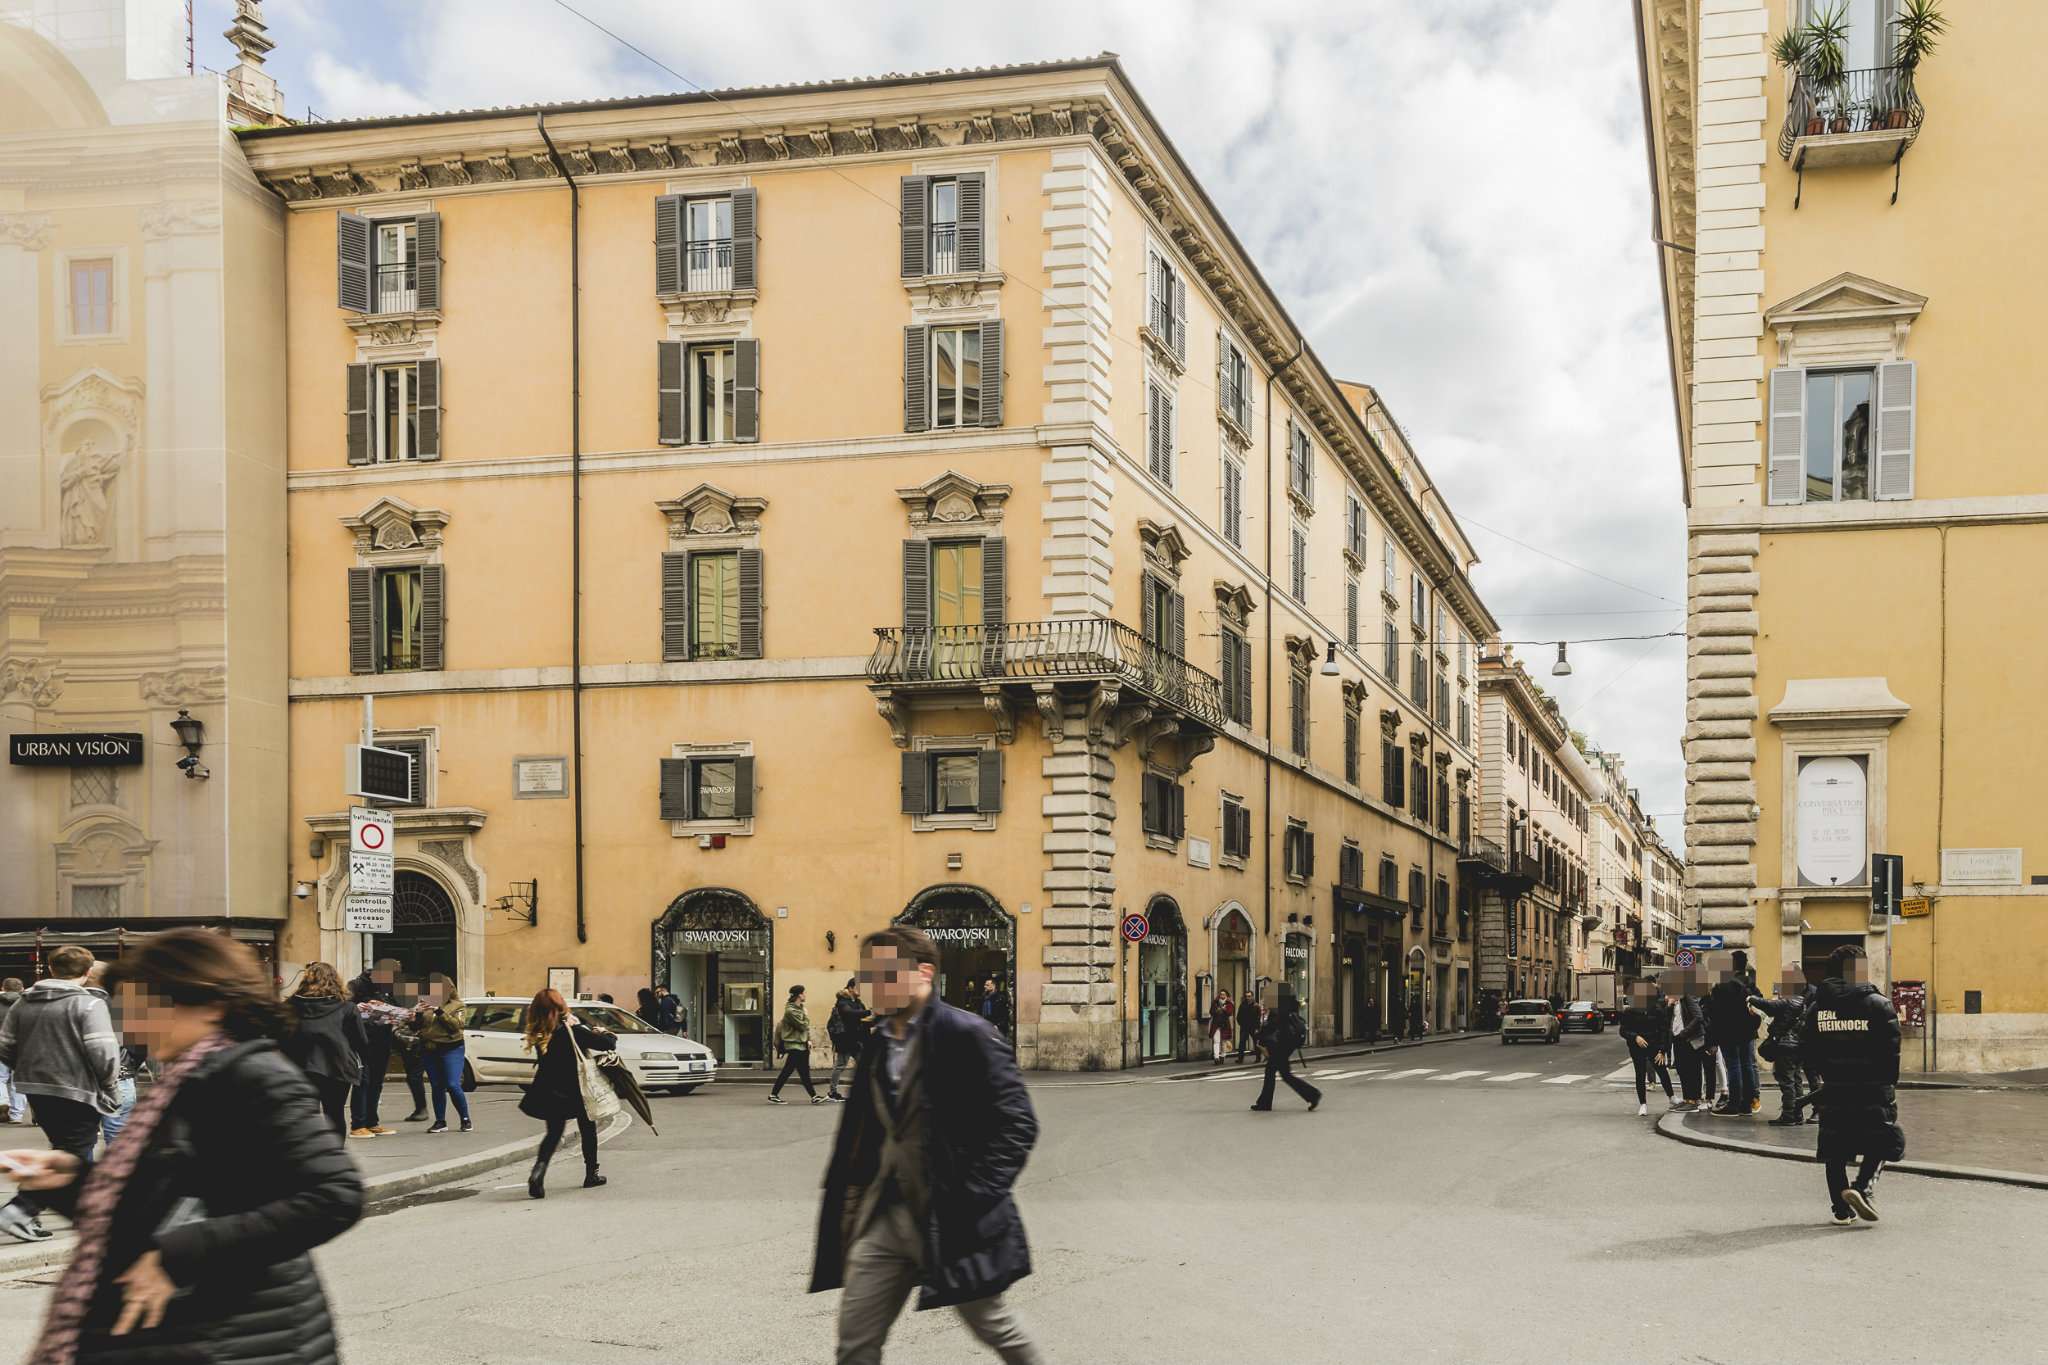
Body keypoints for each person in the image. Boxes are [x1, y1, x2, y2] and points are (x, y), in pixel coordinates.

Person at [1, 926, 362, 1363]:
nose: (130, 1023)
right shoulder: (188, 1078)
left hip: (230, 1335)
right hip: (190, 1330)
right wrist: (68, 1181)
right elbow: (153, 1205)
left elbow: (333, 1196)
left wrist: (176, 1257)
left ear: (209, 1004)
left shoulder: (251, 1075)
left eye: (144, 1006)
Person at [811, 926, 1040, 1364]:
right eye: (867, 974)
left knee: (995, 1327)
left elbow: (1018, 1125)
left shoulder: (967, 1033)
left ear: (924, 973)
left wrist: (974, 1198)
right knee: (855, 1342)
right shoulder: (877, 1041)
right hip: (886, 1217)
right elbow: (865, 1132)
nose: (871, 985)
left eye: (883, 974)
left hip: (953, 1215)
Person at [0, 947, 119, 1243]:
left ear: (51, 969)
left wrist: (26, 1068)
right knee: (75, 1152)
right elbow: (103, 1051)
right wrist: (110, 1086)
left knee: (64, 1148)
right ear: (88, 972)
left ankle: (57, 1209)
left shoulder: (24, 1001)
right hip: (76, 1088)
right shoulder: (89, 1005)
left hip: (35, 1088)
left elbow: (5, 1044)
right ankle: (20, 1210)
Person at [1799, 943, 1901, 1225]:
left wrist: (1823, 1077)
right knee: (1882, 1141)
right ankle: (1863, 1187)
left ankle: (1841, 1210)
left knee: (1835, 1149)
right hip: (1872, 1087)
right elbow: (1891, 1052)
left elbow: (1808, 1050)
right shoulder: (1879, 1005)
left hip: (1834, 1088)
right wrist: (1887, 1085)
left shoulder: (1818, 1008)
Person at [518, 988, 616, 1198]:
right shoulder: (572, 1029)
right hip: (577, 1088)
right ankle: (592, 1174)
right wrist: (603, 1032)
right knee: (588, 1128)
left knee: (553, 1133)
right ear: (560, 1007)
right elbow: (607, 1045)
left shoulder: (539, 1032)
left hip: (548, 1089)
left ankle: (539, 1171)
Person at [281, 962, 367, 1138]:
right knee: (334, 1114)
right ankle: (334, 1157)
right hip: (338, 1067)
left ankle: (307, 1156)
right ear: (335, 980)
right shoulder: (346, 1007)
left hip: (300, 1068)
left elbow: (280, 1038)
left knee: (305, 1117)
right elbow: (361, 1042)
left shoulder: (289, 1007)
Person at [82, 962, 144, 1152]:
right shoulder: (127, 1004)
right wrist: (129, 1065)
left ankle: (80, 1180)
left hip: (78, 1082)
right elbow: (141, 1045)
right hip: (119, 1078)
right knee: (118, 1138)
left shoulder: (70, 1004)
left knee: (78, 1143)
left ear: (86, 975)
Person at [347, 958, 408, 1136]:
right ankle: (357, 1125)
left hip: (382, 1040)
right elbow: (344, 1007)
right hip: (362, 1041)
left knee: (376, 1083)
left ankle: (372, 1122)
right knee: (363, 1082)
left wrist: (404, 1014)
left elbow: (395, 1008)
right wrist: (357, 1007)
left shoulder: (387, 989)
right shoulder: (356, 985)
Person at [1752, 966, 1813, 1126]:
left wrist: (1751, 998)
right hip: (1798, 1045)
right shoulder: (1802, 1001)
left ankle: (1788, 1115)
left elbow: (1768, 1006)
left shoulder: (1788, 1000)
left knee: (1786, 1081)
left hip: (1785, 1046)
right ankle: (1797, 1113)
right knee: (1796, 1080)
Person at [411, 972, 471, 1133]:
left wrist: (438, 1010)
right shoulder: (425, 1004)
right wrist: (416, 1014)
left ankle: (465, 1119)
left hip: (451, 1048)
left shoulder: (458, 1005)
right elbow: (415, 1027)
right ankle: (440, 1121)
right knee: (437, 1085)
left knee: (452, 1084)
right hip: (429, 1049)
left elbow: (456, 1026)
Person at [1706, 950, 1761, 1116]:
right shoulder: (1751, 984)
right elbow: (1760, 1006)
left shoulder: (1722, 986)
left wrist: (1712, 1040)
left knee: (1734, 1066)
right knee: (1747, 1066)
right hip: (1747, 1032)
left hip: (1728, 1032)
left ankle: (1734, 1104)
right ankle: (1747, 1104)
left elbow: (1714, 1015)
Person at [1249, 988, 1320, 1113]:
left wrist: (1259, 1035)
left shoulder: (1278, 1010)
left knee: (1273, 1072)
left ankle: (1265, 1103)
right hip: (1285, 1045)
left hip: (1280, 1045)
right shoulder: (1287, 1008)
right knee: (1283, 1074)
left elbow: (1272, 1026)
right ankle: (1311, 1095)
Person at [1618, 980, 1674, 1116]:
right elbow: (1623, 1030)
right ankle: (1643, 1104)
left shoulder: (1657, 1010)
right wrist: (1635, 1037)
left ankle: (1672, 1097)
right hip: (1637, 1047)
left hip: (1654, 1044)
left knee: (1662, 1071)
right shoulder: (1630, 1011)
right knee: (1640, 1073)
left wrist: (1662, 1050)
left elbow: (1664, 1031)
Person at [770, 983, 824, 1104]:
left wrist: (808, 1039)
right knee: (791, 1071)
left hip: (801, 1044)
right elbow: (802, 1025)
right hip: (793, 1044)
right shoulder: (790, 1010)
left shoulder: (800, 1009)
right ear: (799, 995)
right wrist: (805, 1015)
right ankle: (774, 1095)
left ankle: (814, 1096)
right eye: (804, 993)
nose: (805, 995)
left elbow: (805, 1028)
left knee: (801, 1072)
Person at [827, 978, 873, 1103]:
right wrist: (869, 1012)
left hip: (857, 1041)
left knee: (864, 1066)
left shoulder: (858, 1002)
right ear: (851, 988)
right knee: (840, 1066)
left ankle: (865, 1091)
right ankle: (832, 1092)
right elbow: (850, 1013)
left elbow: (863, 1019)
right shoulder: (843, 1002)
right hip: (845, 1040)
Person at [1670, 972, 1711, 1109]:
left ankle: (1693, 1099)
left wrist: (1684, 1032)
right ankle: (1687, 1098)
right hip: (1679, 1039)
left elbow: (1698, 1016)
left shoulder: (1688, 996)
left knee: (1691, 1069)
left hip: (1688, 1039)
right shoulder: (1678, 999)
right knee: (1682, 1069)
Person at [0, 977, 25, 1124]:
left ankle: (3, 1102)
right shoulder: (26, 1004)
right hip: (22, 1047)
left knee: (0, 1078)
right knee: (19, 1081)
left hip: (1, 1045)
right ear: (21, 989)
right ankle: (17, 1115)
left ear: (3, 988)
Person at [1207, 989, 1234, 1065]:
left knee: (1224, 1042)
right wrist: (1217, 1010)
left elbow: (1230, 1012)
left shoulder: (1229, 1003)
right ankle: (1216, 1057)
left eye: (1224, 994)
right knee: (1216, 1041)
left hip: (1225, 1025)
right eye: (1221, 994)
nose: (1222, 995)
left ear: (1226, 995)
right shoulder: (1215, 1002)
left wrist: (1224, 1009)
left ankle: (1222, 1056)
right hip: (1216, 1025)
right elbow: (1211, 1011)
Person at [1235, 993, 1262, 1063]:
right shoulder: (1243, 1005)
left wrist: (1257, 1028)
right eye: (1246, 996)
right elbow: (1238, 1016)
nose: (1247, 998)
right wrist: (1241, 1024)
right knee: (1242, 1043)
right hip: (1245, 1027)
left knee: (1256, 1043)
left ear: (1252, 997)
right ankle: (1240, 1059)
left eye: (1249, 996)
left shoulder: (1256, 1006)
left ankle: (1258, 1058)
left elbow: (1259, 1018)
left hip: (1254, 1027)